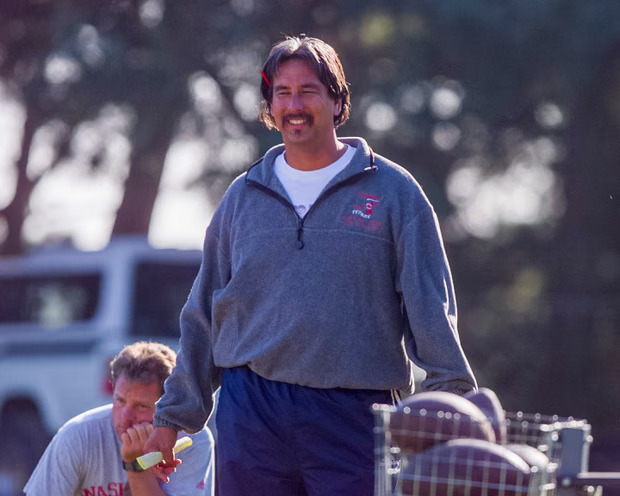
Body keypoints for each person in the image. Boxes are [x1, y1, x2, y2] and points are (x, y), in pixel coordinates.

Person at [145, 35, 477, 496]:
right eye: (282, 93)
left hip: (356, 413)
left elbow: (430, 306)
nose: (294, 105)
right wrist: (174, 416)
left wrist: (453, 399)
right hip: (252, 410)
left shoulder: (394, 192)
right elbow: (203, 313)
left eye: (308, 91)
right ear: (269, 106)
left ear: (338, 101)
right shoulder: (243, 197)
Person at [24, 341, 214, 496]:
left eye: (142, 406)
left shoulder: (191, 439)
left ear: (167, 406)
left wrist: (135, 464)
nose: (126, 417)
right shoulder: (76, 436)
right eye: (120, 401)